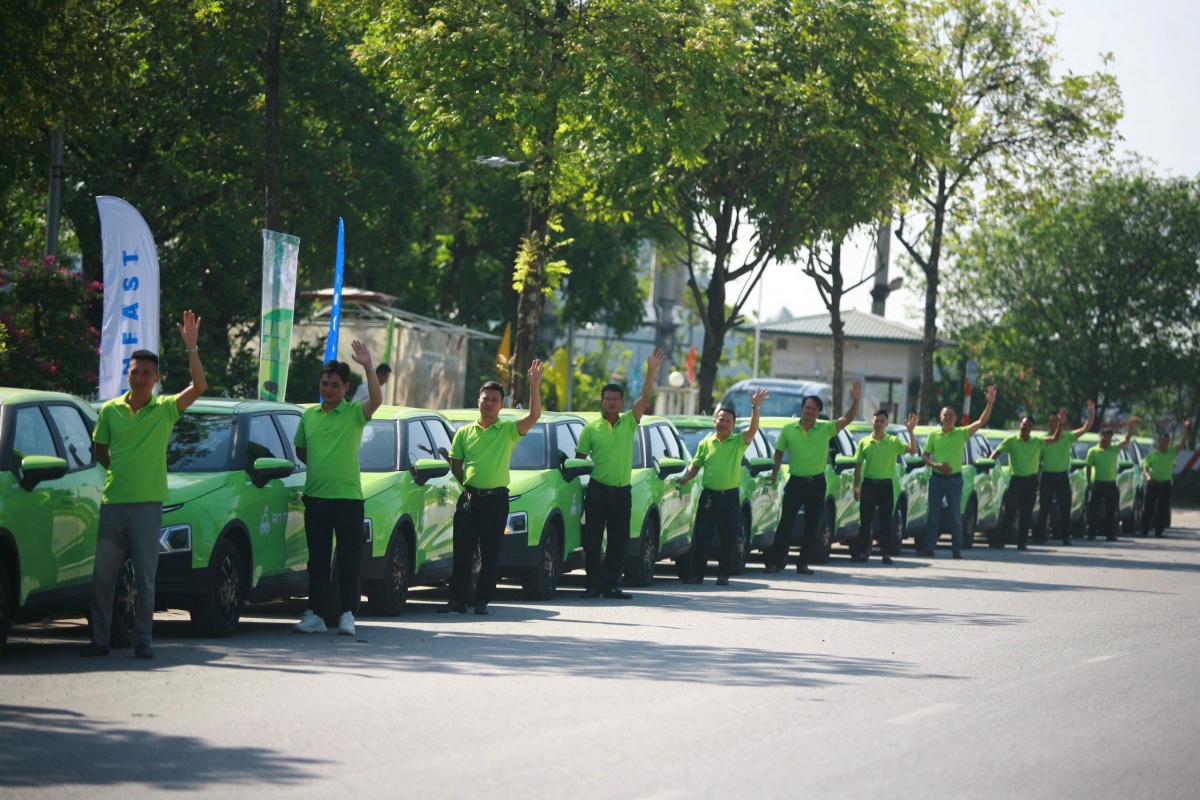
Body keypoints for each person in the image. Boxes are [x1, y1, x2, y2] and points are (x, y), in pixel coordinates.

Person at [82, 311, 207, 659]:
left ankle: (143, 641)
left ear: (156, 378)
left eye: (146, 373)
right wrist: (120, 471)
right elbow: (100, 450)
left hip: (148, 505)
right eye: (135, 371)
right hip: (114, 502)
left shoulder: (165, 409)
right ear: (128, 373)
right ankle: (100, 641)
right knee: (103, 578)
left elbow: (199, 388)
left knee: (145, 578)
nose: (139, 377)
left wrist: (192, 349)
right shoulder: (109, 410)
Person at [292, 342, 383, 636]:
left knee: (348, 561)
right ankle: (316, 614)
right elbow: (302, 452)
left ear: (346, 387)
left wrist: (369, 367)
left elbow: (377, 401)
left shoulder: (354, 413)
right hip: (316, 498)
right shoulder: (308, 416)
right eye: (324, 383)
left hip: (348, 499)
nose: (328, 389)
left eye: (334, 385)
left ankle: (347, 615)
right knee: (317, 561)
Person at [442, 362, 543, 615]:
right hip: (469, 499)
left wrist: (534, 386)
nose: (489, 403)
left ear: (502, 405)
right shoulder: (464, 433)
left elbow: (533, 417)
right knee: (463, 552)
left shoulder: (508, 430)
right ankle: (457, 600)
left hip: (496, 501)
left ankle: (482, 600)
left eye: (495, 400)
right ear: (478, 401)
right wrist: (468, 486)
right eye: (486, 398)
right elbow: (456, 465)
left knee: (491, 553)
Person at [574, 348, 666, 599]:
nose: (611, 402)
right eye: (607, 398)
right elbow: (579, 462)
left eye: (616, 398)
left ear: (622, 402)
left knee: (619, 542)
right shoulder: (590, 429)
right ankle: (592, 585)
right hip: (596, 492)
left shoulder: (628, 423)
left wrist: (651, 371)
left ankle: (611, 585)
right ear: (601, 401)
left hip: (622, 493)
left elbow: (646, 397)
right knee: (592, 542)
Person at [763, 381, 862, 575]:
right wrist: (774, 473)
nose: (810, 411)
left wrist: (855, 401)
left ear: (818, 412)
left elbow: (847, 419)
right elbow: (779, 453)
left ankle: (803, 563)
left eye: (814, 409)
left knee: (812, 524)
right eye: (807, 407)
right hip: (795, 482)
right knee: (786, 523)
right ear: (802, 409)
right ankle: (776, 561)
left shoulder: (825, 429)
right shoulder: (788, 429)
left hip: (816, 483)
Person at [677, 388, 769, 586]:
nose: (724, 423)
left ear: (733, 425)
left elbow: (752, 429)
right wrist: (686, 478)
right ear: (714, 421)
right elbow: (695, 465)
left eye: (728, 421)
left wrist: (755, 407)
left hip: (729, 498)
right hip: (709, 497)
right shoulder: (705, 443)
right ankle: (697, 574)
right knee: (702, 537)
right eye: (721, 419)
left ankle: (723, 574)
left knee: (729, 538)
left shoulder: (738, 442)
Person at [921, 386, 998, 559]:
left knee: (956, 516)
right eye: (945, 415)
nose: (947, 418)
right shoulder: (933, 435)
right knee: (933, 515)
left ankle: (956, 549)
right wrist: (936, 465)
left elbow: (981, 421)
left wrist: (990, 404)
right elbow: (924, 456)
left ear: (955, 418)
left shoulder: (962, 433)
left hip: (954, 480)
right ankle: (929, 547)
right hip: (936, 478)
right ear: (940, 417)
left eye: (950, 415)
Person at [852, 410, 919, 564]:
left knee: (886, 520)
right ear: (872, 422)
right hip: (868, 484)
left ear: (886, 424)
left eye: (882, 421)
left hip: (886, 486)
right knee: (865, 520)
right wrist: (857, 486)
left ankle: (886, 554)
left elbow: (913, 450)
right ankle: (863, 552)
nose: (879, 424)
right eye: (877, 421)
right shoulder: (864, 442)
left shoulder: (893, 441)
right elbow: (858, 466)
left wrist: (911, 432)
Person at [992, 414, 1062, 550]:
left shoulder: (1037, 441)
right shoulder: (1011, 441)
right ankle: (1002, 540)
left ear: (1032, 428)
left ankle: (1022, 542)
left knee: (1026, 514)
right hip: (1016, 481)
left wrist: (1061, 424)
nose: (1025, 427)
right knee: (1009, 512)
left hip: (1030, 482)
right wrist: (989, 464)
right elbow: (997, 452)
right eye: (1024, 424)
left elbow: (1055, 438)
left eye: (1029, 425)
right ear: (1020, 425)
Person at [1032, 400, 1096, 545]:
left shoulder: (1067, 437)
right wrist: (1037, 477)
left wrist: (1091, 414)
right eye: (1051, 422)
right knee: (1044, 507)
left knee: (1065, 507)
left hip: (1062, 476)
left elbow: (1085, 429)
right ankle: (1039, 535)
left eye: (1056, 421)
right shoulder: (1044, 439)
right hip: (1047, 476)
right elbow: (1038, 461)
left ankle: (1066, 536)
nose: (1053, 424)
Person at [1084, 422, 1136, 542]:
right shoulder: (1093, 451)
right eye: (1105, 437)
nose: (1107, 440)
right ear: (1100, 437)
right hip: (1098, 484)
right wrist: (1089, 482)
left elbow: (1126, 441)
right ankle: (1091, 533)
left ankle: (1110, 534)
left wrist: (1130, 429)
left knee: (1111, 511)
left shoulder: (1114, 449)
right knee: (1094, 510)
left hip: (1111, 484)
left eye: (1109, 438)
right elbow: (1088, 468)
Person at [1140, 419, 1187, 538]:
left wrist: (1185, 428)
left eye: (1167, 441)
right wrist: (1148, 476)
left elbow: (1183, 442)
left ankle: (1159, 531)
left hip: (1165, 485)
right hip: (1153, 484)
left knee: (1162, 509)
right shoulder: (1152, 454)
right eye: (1162, 440)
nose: (1164, 443)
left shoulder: (1171, 452)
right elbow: (1145, 466)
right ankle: (1143, 531)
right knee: (1148, 508)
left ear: (1169, 443)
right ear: (1159, 441)